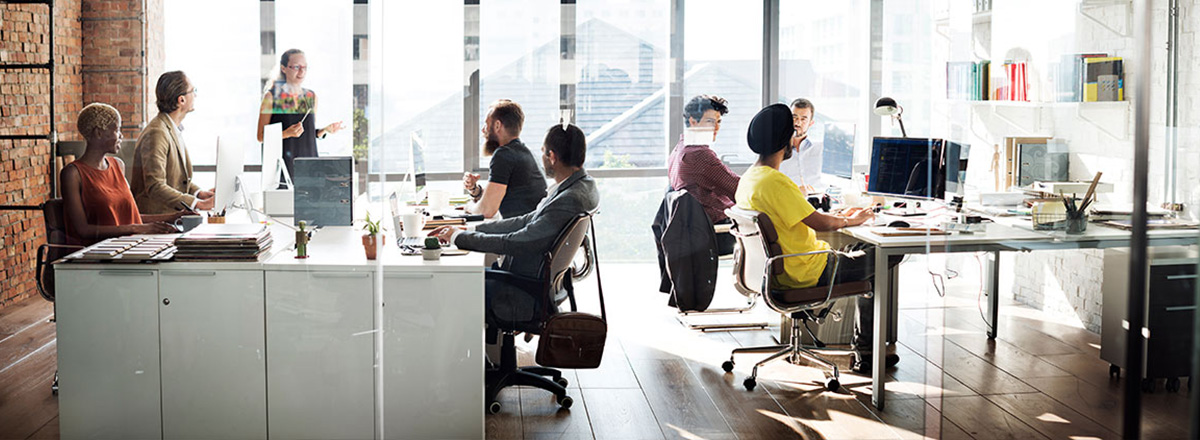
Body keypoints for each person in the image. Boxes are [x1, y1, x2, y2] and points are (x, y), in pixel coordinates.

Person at [735, 103, 898, 373]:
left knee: (863, 249)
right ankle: (867, 353)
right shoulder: (775, 181)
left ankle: (867, 350)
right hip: (809, 270)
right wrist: (851, 219)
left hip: (782, 270)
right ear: (785, 140)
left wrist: (845, 216)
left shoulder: (750, 178)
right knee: (886, 253)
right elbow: (819, 222)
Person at [432, 123, 599, 328]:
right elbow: (526, 220)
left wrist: (459, 238)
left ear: (552, 157)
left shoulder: (569, 198)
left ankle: (458, 358)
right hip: (535, 283)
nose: (542, 159)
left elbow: (518, 242)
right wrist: (471, 230)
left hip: (521, 293)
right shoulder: (582, 186)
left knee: (446, 282)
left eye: (544, 154)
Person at [62, 103, 184, 246]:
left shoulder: (118, 165)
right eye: (117, 129)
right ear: (98, 133)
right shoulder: (72, 174)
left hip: (128, 247)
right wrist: (136, 229)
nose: (121, 135)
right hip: (96, 254)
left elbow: (131, 218)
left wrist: (173, 217)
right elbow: (83, 230)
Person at [130, 71, 215, 214]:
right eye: (193, 91)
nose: (195, 95)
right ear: (181, 100)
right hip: (157, 220)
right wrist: (198, 204)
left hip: (172, 217)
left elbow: (175, 178)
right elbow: (155, 186)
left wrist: (198, 193)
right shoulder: (157, 132)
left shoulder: (171, 128)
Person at [256, 48, 345, 181]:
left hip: (310, 168)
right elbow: (261, 136)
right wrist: (286, 133)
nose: (302, 71)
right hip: (283, 169)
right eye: (296, 67)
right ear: (284, 68)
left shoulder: (311, 96)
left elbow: (308, 133)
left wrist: (324, 130)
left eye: (305, 67)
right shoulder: (272, 97)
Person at [666, 94, 738, 255]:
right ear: (692, 121)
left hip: (694, 232)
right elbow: (738, 189)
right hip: (715, 234)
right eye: (710, 121)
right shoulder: (699, 155)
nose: (716, 128)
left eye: (718, 122)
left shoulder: (680, 149)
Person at [461, 99, 548, 219]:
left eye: (486, 124)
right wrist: (474, 189)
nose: (483, 130)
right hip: (531, 227)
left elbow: (487, 211)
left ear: (497, 125)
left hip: (522, 232)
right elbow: (495, 196)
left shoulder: (504, 154)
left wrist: (469, 207)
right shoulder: (523, 152)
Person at [778, 98, 826, 194]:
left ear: (811, 123)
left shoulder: (821, 149)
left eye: (803, 119)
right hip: (788, 200)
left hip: (817, 200)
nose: (797, 123)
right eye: (794, 117)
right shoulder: (776, 151)